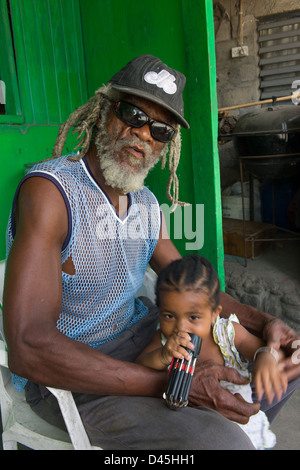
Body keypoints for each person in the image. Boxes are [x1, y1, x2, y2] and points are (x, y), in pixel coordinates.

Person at [3, 54, 300, 450]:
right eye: (132, 114)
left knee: (284, 364)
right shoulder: (51, 192)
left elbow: (198, 289)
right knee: (222, 443)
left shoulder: (143, 203)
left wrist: (266, 324)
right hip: (74, 373)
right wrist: (172, 385)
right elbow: (28, 347)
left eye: (161, 129)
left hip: (146, 338)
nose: (143, 134)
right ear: (103, 110)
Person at [136, 254, 289, 449]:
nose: (181, 327)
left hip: (241, 425)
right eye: (169, 315)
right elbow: (140, 365)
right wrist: (163, 355)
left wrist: (266, 357)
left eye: (193, 317)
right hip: (192, 428)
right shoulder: (164, 340)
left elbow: (260, 350)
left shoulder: (227, 331)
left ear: (214, 313)